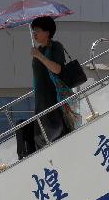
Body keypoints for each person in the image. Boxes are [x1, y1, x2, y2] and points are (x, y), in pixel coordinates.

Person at [28, 16, 78, 151]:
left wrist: (39, 56)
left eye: (37, 30)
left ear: (47, 32)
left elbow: (57, 69)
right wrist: (37, 55)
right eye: (33, 31)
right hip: (41, 100)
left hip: (54, 97)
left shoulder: (55, 46)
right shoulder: (39, 50)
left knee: (57, 132)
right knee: (41, 136)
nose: (34, 34)